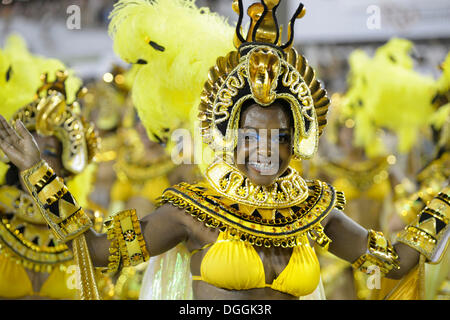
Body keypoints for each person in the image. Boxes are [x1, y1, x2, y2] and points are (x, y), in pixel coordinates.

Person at [0, 0, 446, 300]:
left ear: (295, 142)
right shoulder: (191, 212)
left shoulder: (316, 211)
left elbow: (392, 261)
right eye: (252, 136)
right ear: (231, 140)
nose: (264, 149)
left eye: (278, 136)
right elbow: (99, 250)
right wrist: (39, 171)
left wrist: (443, 204)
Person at [0, 35, 100, 299]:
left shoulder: (89, 227)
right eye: (24, 147)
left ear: (67, 165)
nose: (31, 157)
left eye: (46, 151)